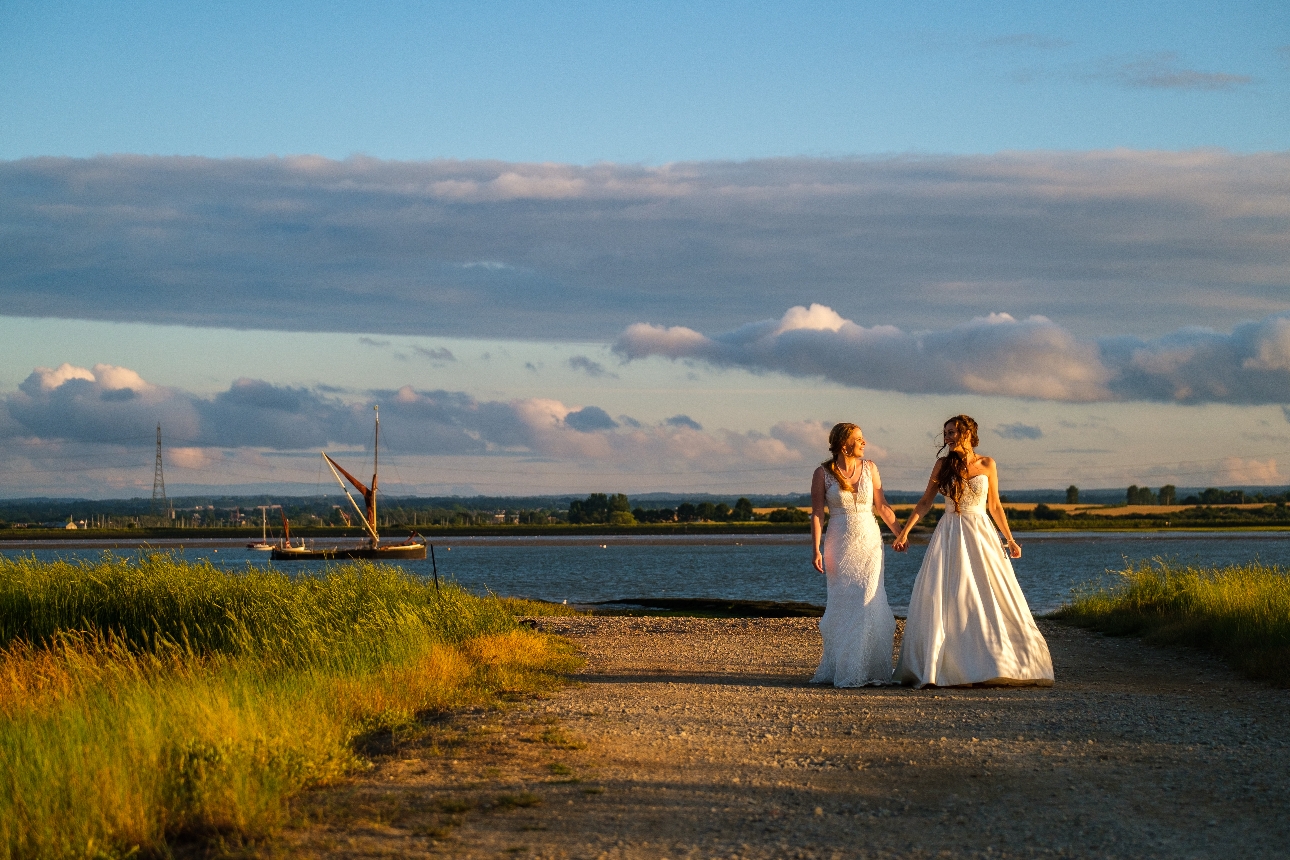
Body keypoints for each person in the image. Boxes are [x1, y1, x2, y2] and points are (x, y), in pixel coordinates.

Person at [892, 414, 1054, 688]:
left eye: (953, 431)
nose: (948, 436)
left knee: (989, 593)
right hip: (950, 533)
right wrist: (904, 532)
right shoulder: (942, 464)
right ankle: (948, 665)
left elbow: (995, 506)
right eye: (946, 432)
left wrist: (1010, 539)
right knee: (952, 593)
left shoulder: (987, 464)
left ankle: (997, 662)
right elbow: (925, 502)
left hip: (981, 533)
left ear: (968, 433)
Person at [810, 422, 900, 686]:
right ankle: (846, 666)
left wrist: (900, 533)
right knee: (844, 602)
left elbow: (882, 507)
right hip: (838, 542)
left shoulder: (870, 468)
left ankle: (868, 668)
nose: (864, 442)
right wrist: (815, 548)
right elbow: (817, 513)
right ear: (843, 443)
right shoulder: (822, 473)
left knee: (868, 599)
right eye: (858, 439)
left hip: (870, 542)